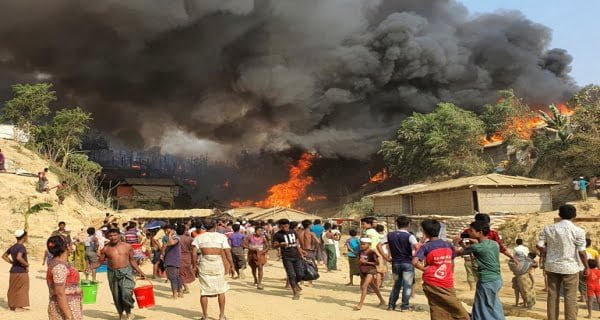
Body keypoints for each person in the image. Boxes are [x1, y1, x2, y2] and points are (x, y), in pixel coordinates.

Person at [537, 204, 588, 320]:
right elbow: (582, 252)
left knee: (552, 296)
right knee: (570, 297)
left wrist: (547, 251)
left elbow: (539, 245)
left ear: (559, 214)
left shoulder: (548, 228)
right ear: (574, 215)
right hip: (571, 268)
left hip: (552, 266)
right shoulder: (578, 231)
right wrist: (587, 267)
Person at [413, 220, 470, 320]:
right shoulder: (447, 244)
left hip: (431, 281)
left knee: (436, 307)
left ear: (425, 233)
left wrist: (424, 269)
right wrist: (450, 274)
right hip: (447, 281)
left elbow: (414, 262)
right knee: (454, 306)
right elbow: (452, 260)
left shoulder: (425, 246)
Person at [455, 220, 505, 320]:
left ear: (480, 233)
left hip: (487, 281)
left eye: (471, 231)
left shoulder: (477, 247)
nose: (469, 232)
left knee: (485, 306)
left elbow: (459, 252)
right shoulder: (494, 244)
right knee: (491, 304)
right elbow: (475, 250)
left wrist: (456, 243)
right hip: (496, 279)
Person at [98, 228, 146, 320]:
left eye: (115, 235)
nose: (113, 237)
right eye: (110, 236)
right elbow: (100, 262)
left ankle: (128, 311)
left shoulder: (128, 246)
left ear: (120, 235)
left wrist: (141, 272)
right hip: (112, 273)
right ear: (107, 237)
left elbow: (132, 260)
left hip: (126, 272)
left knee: (126, 292)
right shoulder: (106, 249)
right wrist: (89, 267)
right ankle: (121, 314)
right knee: (116, 295)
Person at [192, 218, 234, 320]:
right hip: (217, 264)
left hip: (204, 263)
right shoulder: (221, 237)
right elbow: (228, 252)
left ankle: (205, 316)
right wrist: (232, 265)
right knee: (221, 290)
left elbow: (193, 253)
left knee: (204, 291)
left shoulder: (199, 238)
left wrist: (194, 266)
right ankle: (222, 315)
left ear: (204, 227)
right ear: (215, 226)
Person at [377, 216, 417, 311]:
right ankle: (404, 306)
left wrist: (385, 257)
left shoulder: (390, 235)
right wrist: (416, 258)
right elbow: (417, 246)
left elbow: (378, 245)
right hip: (407, 263)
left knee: (396, 284)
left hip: (395, 263)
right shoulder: (410, 236)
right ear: (408, 225)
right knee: (407, 285)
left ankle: (391, 305)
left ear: (397, 224)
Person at [46, 235, 83, 320]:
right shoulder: (59, 267)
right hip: (66, 308)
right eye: (70, 244)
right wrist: (69, 316)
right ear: (67, 246)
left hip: (69, 305)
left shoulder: (59, 263)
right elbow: (60, 293)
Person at [273, 218, 305, 300]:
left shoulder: (293, 232)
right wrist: (280, 245)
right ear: (279, 226)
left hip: (296, 256)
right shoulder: (277, 235)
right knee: (291, 274)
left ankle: (295, 284)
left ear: (288, 225)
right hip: (287, 257)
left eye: (286, 226)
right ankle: (295, 293)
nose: (284, 228)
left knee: (300, 274)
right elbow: (274, 245)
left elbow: (296, 243)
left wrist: (301, 252)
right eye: (282, 227)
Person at [354, 238, 385, 310]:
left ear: (369, 245)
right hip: (363, 270)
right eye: (361, 244)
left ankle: (360, 304)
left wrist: (366, 262)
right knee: (373, 286)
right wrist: (359, 262)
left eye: (364, 244)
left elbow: (376, 263)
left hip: (371, 270)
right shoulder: (360, 252)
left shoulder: (372, 252)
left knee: (364, 286)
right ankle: (382, 301)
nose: (362, 245)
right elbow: (358, 261)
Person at [2, 229, 29, 312]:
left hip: (13, 270)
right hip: (21, 271)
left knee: (13, 288)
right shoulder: (21, 247)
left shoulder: (13, 247)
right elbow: (19, 257)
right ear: (24, 237)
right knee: (22, 288)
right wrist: (26, 264)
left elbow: (4, 256)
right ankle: (18, 307)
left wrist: (12, 262)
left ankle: (12, 306)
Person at [244, 225, 269, 289]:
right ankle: (255, 279)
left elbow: (268, 246)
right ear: (255, 231)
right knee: (253, 268)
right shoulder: (250, 237)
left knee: (260, 268)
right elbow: (243, 244)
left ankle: (259, 283)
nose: (260, 232)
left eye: (261, 231)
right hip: (251, 254)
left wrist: (263, 251)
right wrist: (250, 248)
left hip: (260, 255)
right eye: (258, 231)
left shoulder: (263, 238)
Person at [162, 224, 183, 298]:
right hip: (172, 258)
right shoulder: (167, 237)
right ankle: (180, 292)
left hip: (172, 259)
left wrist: (170, 234)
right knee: (176, 276)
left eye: (166, 230)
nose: (165, 231)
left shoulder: (175, 237)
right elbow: (164, 247)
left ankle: (175, 294)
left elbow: (171, 243)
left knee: (172, 277)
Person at [177, 224, 196, 294]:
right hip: (188, 257)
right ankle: (184, 287)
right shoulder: (190, 239)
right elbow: (193, 249)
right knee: (184, 273)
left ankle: (182, 288)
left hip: (178, 256)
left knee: (179, 273)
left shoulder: (176, 238)